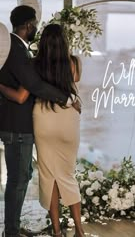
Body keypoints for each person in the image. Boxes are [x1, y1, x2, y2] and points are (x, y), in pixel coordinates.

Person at [0, 24, 84, 237]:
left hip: (43, 120)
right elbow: (75, 80)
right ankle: (79, 231)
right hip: (68, 120)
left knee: (49, 176)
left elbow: (25, 92)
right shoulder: (74, 63)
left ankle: (56, 231)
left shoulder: (34, 65)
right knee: (67, 175)